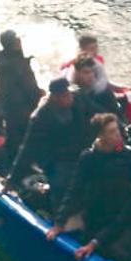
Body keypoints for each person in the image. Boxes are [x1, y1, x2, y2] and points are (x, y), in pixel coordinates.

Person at [46, 113, 131, 241]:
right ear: (101, 135)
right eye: (111, 131)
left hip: (119, 214)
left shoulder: (129, 155)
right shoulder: (89, 157)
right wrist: (60, 222)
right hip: (95, 213)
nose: (118, 133)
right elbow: (75, 189)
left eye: (117, 129)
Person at [9, 77, 90, 211]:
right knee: (61, 183)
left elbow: (98, 111)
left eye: (69, 93)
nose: (70, 97)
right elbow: (27, 148)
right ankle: (58, 215)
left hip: (79, 150)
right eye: (65, 95)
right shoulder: (41, 117)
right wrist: (12, 179)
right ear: (55, 98)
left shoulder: (78, 99)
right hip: (56, 158)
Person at [0, 29, 43, 159]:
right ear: (15, 43)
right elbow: (29, 88)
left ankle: (9, 160)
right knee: (25, 139)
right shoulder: (19, 64)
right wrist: (40, 96)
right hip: (23, 109)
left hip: (9, 108)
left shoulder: (1, 61)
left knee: (13, 138)